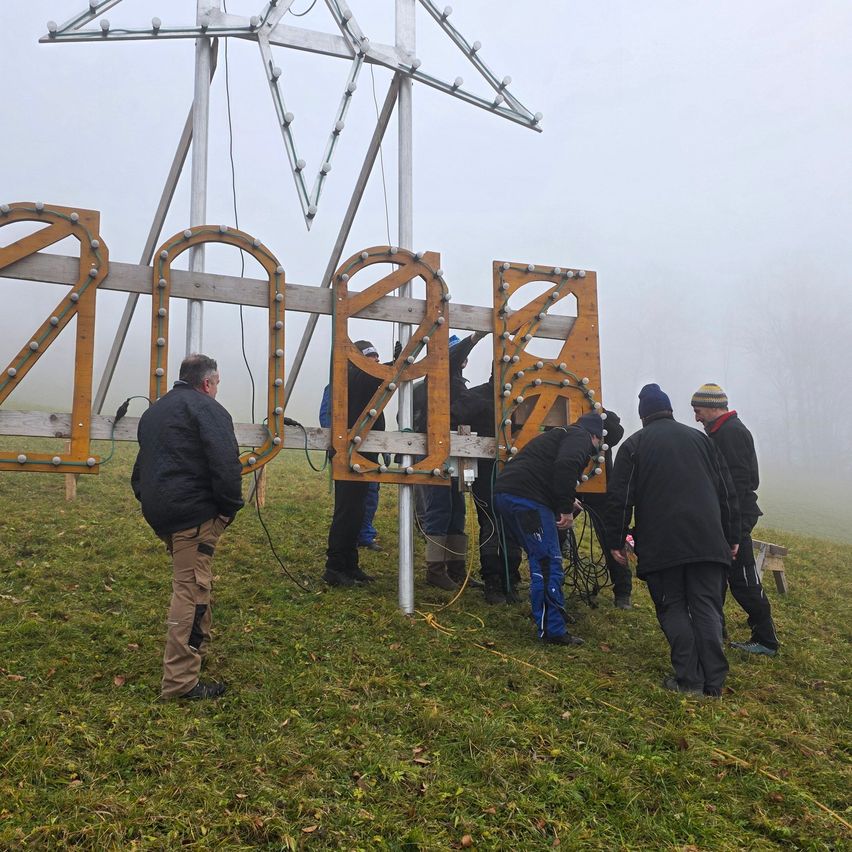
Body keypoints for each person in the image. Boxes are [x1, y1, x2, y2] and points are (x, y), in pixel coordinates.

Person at [605, 383, 740, 697]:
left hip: (661, 545)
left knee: (673, 607)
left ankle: (689, 681)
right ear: (670, 410)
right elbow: (726, 492)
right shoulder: (703, 441)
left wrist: (616, 540)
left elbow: (620, 499)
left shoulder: (634, 445)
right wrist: (732, 535)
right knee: (707, 608)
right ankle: (714, 683)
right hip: (708, 542)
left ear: (643, 416)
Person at [131, 354, 244, 701]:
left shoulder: (155, 412)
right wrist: (228, 509)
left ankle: (196, 648)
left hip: (162, 512)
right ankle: (180, 682)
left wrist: (148, 499)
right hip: (193, 514)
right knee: (191, 588)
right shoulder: (209, 410)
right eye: (217, 383)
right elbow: (227, 466)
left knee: (196, 578)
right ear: (207, 383)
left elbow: (141, 468)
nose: (217, 389)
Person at [493, 413, 604, 645]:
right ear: (595, 436)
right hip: (527, 499)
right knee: (548, 562)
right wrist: (564, 508)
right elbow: (566, 465)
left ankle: (550, 613)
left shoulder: (559, 435)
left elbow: (546, 470)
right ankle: (553, 630)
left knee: (540, 558)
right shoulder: (581, 436)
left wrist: (567, 499)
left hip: (508, 493)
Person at [692, 383, 779, 656]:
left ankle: (766, 640)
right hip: (725, 517)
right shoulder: (722, 432)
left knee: (743, 580)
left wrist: (735, 531)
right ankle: (715, 631)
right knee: (716, 576)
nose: (696, 417)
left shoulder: (731, 433)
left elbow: (740, 484)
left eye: (698, 410)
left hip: (734, 518)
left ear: (714, 407)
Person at [414, 333, 484, 591]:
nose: (463, 358)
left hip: (455, 451)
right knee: (439, 509)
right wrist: (473, 340)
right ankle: (435, 570)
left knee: (456, 510)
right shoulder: (437, 375)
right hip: (435, 450)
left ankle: (456, 569)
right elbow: (449, 359)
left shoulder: (456, 381)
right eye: (457, 353)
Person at [451, 372, 523, 604]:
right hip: (487, 473)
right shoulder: (478, 396)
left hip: (515, 472)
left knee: (512, 522)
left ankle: (510, 578)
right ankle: (493, 579)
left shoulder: (524, 397)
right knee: (491, 522)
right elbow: (452, 419)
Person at [323, 340, 386, 587]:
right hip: (348, 456)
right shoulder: (352, 376)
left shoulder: (360, 378)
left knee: (356, 511)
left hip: (362, 456)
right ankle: (335, 567)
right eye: (371, 357)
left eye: (378, 357)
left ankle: (350, 564)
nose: (376, 361)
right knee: (346, 512)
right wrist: (399, 361)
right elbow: (376, 376)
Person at [575, 410, 633, 609]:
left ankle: (623, 591)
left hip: (600, 486)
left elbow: (616, 433)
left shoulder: (600, 414)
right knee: (556, 529)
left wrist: (600, 413)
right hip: (570, 482)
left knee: (611, 538)